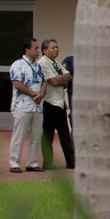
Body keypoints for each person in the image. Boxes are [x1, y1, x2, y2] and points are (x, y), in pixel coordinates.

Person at [8, 38, 46, 173]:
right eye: (35, 48)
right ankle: (14, 163)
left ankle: (32, 162)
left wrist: (41, 94)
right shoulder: (18, 65)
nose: (38, 51)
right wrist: (32, 93)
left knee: (36, 136)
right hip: (22, 106)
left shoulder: (38, 66)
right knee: (19, 135)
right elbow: (16, 83)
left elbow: (44, 83)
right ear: (27, 50)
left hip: (37, 106)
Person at [38, 38, 75, 170]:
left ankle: (71, 162)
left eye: (57, 47)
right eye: (53, 48)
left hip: (60, 103)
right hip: (49, 102)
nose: (56, 50)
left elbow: (69, 76)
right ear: (45, 50)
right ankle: (47, 162)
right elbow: (52, 81)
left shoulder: (56, 63)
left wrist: (60, 79)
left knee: (64, 133)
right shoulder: (43, 63)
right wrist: (60, 79)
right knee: (48, 134)